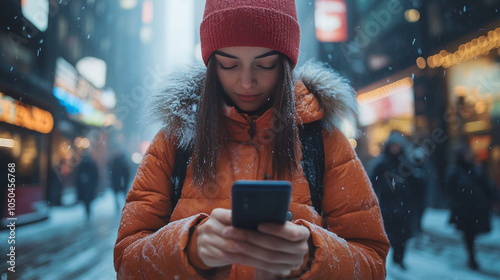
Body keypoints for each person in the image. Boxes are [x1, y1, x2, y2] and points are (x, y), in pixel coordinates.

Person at [114, 1, 390, 279]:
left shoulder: (322, 138)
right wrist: (189, 248)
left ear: (284, 64)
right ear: (212, 65)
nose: (246, 82)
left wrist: (312, 253)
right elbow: (127, 261)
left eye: (265, 64)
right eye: (229, 64)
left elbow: (372, 263)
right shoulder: (176, 140)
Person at [368, 131, 416, 270]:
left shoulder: (406, 162)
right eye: (393, 145)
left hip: (404, 205)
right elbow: (371, 182)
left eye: (398, 145)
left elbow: (415, 182)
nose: (396, 148)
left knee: (403, 236)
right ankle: (390, 260)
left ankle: (399, 259)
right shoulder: (381, 163)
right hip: (387, 206)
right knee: (389, 235)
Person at [445, 141, 496, 270]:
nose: (468, 156)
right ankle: (472, 257)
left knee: (473, 233)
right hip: (465, 209)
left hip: (478, 208)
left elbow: (487, 186)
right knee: (469, 234)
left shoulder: (477, 169)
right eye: (466, 154)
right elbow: (450, 189)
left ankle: (472, 256)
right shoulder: (456, 172)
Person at [75, 151, 99, 220]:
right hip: (86, 188)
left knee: (87, 201)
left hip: (87, 187)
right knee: (87, 201)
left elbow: (95, 176)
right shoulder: (87, 164)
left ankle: (88, 212)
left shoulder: (84, 165)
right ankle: (88, 212)